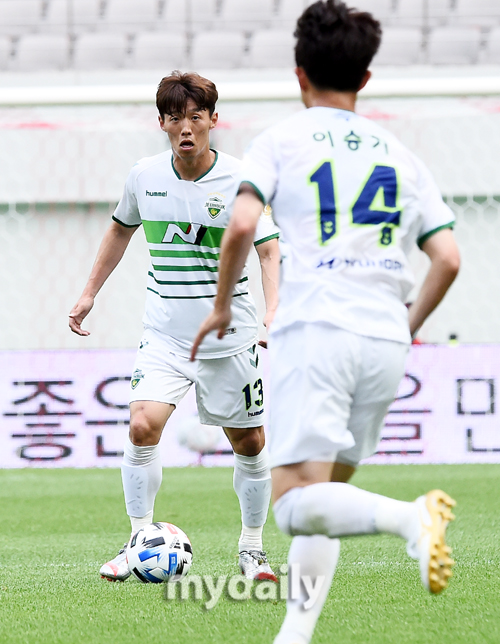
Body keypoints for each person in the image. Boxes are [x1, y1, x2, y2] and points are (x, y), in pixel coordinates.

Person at [192, 2, 460, 642]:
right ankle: (296, 634)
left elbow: (242, 224)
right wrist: (409, 324)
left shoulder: (283, 139)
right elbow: (447, 258)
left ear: (299, 74)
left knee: (291, 505)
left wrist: (225, 304)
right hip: (384, 340)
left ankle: (412, 520)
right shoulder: (403, 154)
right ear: (365, 78)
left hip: (318, 331)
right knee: (324, 501)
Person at [69, 71, 280, 583]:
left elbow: (269, 250)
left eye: (195, 116)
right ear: (161, 122)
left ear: (212, 119)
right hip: (165, 334)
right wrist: (89, 292)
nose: (186, 127)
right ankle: (140, 537)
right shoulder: (144, 176)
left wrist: (273, 314)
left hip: (230, 338)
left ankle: (252, 550)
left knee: (248, 443)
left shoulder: (241, 180)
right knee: (142, 426)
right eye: (175, 117)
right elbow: (120, 231)